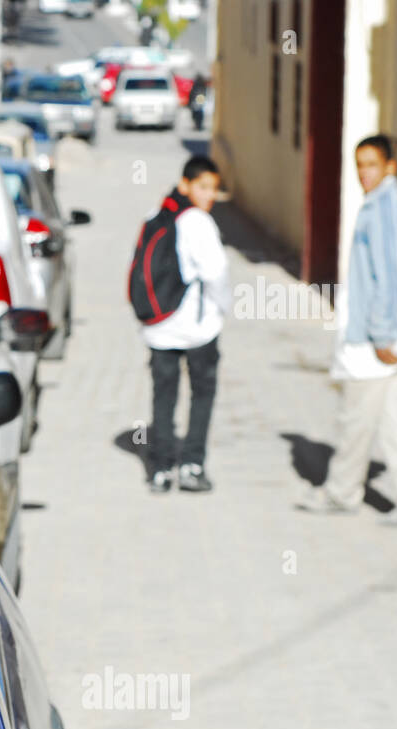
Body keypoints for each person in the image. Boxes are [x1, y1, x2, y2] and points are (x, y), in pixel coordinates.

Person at [298, 134, 397, 524]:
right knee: (395, 419)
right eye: (359, 164)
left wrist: (381, 336)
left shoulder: (384, 209)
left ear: (391, 166)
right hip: (388, 336)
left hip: (379, 340)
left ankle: (341, 492)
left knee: (355, 419)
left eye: (372, 164)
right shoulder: (381, 204)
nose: (364, 172)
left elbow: (388, 278)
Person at [143, 155, 230, 493]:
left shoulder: (155, 215)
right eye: (204, 187)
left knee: (163, 397)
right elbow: (216, 274)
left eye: (214, 188)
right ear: (186, 185)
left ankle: (160, 468)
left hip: (158, 329)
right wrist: (224, 309)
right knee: (201, 394)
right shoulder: (199, 222)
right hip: (198, 330)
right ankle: (192, 465)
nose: (210, 195)